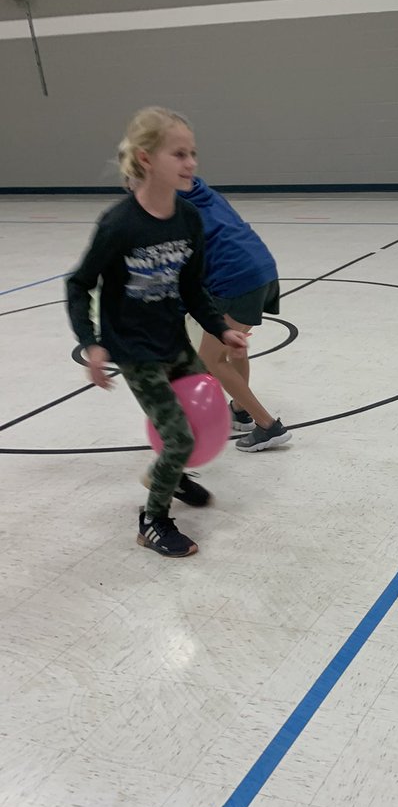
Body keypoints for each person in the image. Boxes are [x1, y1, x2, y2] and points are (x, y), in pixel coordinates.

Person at [67, 106, 248, 558]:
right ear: (147, 159)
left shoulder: (188, 218)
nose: (191, 163)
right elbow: (79, 283)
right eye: (179, 154)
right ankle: (152, 521)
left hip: (173, 341)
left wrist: (220, 329)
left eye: (193, 153)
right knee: (179, 437)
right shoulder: (119, 224)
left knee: (200, 423)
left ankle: (172, 474)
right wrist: (91, 343)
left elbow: (192, 287)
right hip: (136, 351)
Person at [178, 176, 290, 452]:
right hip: (263, 270)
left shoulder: (171, 208)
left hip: (236, 280)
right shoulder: (199, 190)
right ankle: (240, 411)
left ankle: (268, 426)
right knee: (233, 345)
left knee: (212, 358)